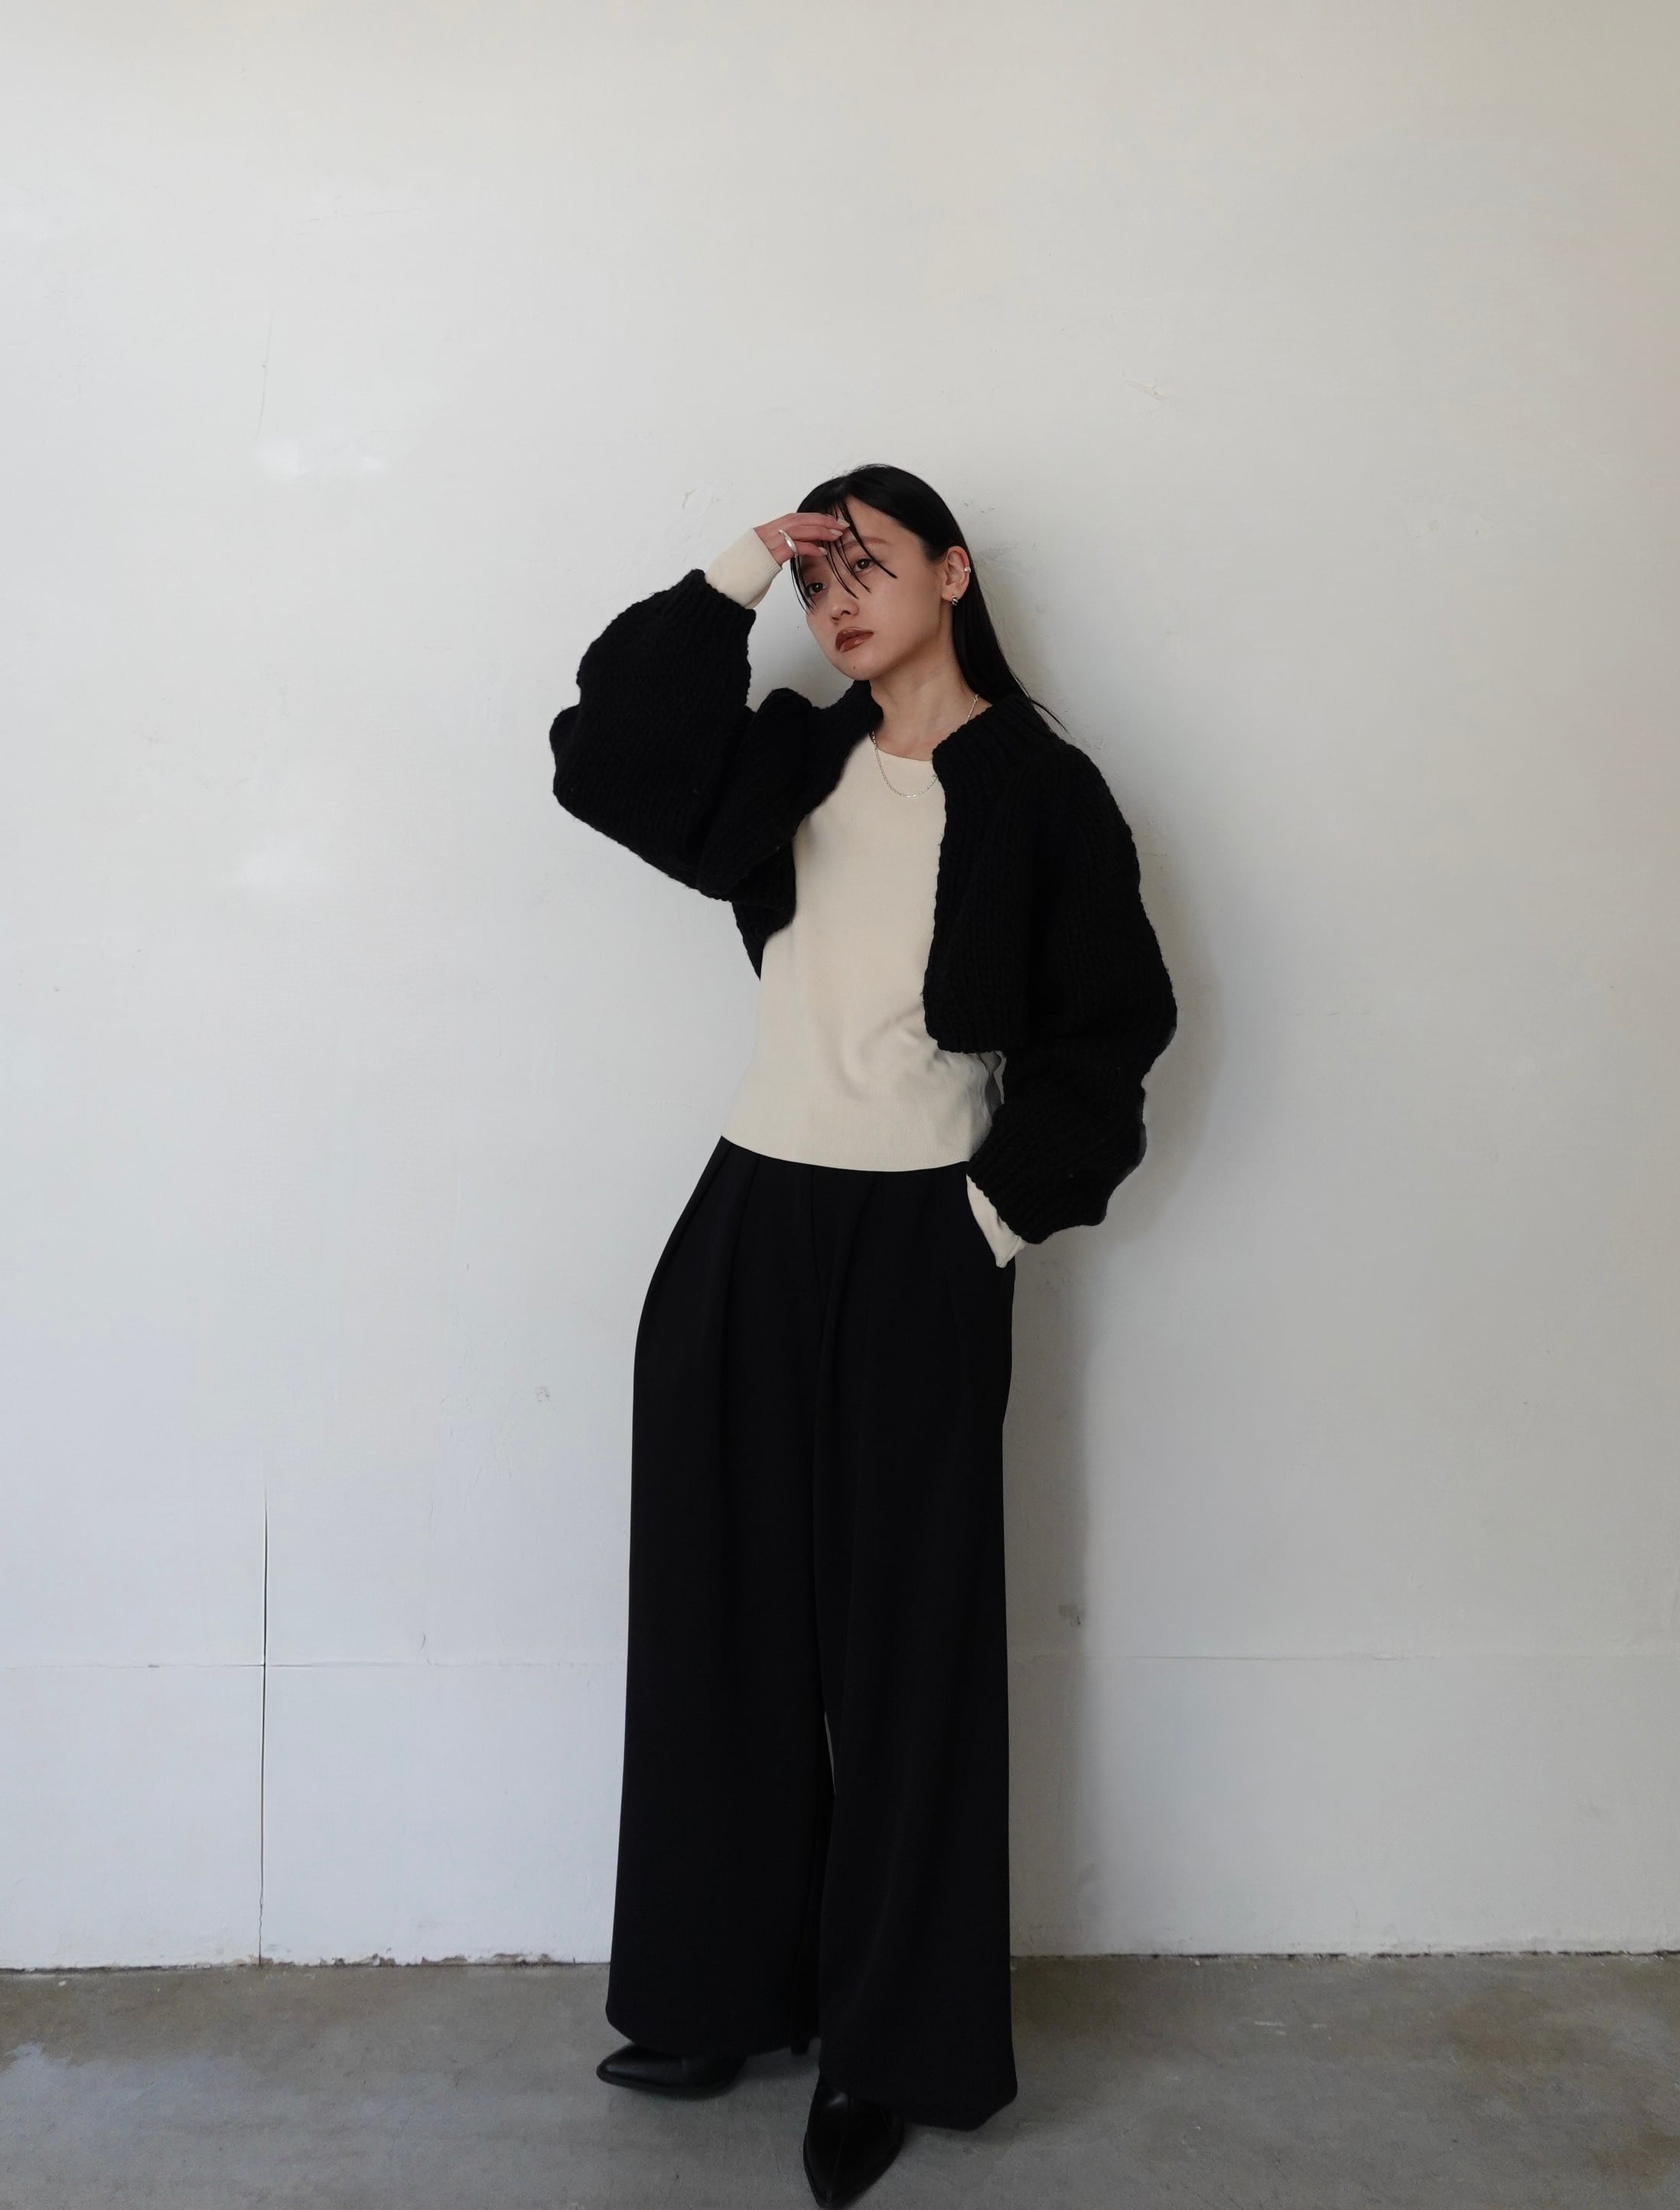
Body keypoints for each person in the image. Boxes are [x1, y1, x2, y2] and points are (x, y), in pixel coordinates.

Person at [547, 463, 1177, 2207]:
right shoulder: (787, 760)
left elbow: (1115, 1023)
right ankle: (713, 1995)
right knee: (720, 1618)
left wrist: (995, 1213)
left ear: (953, 575)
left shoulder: (1042, 788)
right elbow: (603, 753)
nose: (837, 602)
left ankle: (891, 2049)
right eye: (819, 576)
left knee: (906, 1651)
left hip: (921, 1234)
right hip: (745, 1218)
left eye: (866, 565)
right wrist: (740, 563)